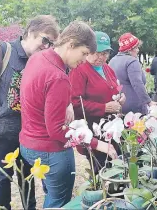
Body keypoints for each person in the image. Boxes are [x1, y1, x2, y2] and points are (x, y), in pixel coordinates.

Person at [0, 15, 60, 210]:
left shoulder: (42, 60)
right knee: (3, 177)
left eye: (51, 43)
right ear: (30, 32)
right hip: (3, 133)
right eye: (44, 40)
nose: (47, 46)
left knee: (27, 177)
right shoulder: (3, 50)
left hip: (28, 133)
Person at [19, 21, 96, 208]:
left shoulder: (39, 57)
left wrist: (67, 102)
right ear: (71, 44)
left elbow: (40, 94)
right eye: (84, 53)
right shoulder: (58, 76)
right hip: (50, 149)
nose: (85, 60)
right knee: (58, 202)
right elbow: (55, 131)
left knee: (50, 193)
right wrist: (95, 143)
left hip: (27, 144)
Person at [69, 31, 123, 173]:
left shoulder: (107, 68)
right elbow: (75, 103)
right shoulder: (79, 70)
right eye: (97, 52)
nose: (101, 57)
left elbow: (115, 88)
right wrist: (103, 107)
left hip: (112, 127)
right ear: (88, 51)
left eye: (105, 53)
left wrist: (121, 98)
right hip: (94, 129)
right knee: (100, 169)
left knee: (116, 165)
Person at [109, 33, 154, 115]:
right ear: (130, 49)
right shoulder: (132, 61)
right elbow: (137, 84)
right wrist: (149, 102)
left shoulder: (112, 61)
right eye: (136, 48)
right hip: (134, 106)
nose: (138, 50)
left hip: (118, 105)